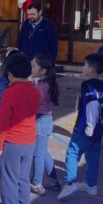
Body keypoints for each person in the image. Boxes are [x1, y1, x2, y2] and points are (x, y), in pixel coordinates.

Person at [0, 53, 41, 204]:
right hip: (29, 141)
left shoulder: (9, 94)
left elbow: (2, 123)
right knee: (23, 179)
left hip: (12, 142)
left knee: (9, 180)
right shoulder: (35, 91)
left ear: (9, 74)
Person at [57, 54, 103, 201]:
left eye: (84, 65)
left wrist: (89, 128)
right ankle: (91, 185)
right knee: (93, 157)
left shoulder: (87, 85)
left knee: (73, 153)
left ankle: (70, 182)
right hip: (99, 131)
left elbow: (92, 106)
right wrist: (98, 128)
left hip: (84, 129)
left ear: (91, 69)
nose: (82, 68)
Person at [30, 54, 61, 195]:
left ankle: (37, 183)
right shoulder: (45, 84)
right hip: (45, 121)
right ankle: (53, 179)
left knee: (38, 155)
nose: (31, 68)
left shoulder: (41, 87)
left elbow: (32, 104)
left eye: (33, 66)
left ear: (42, 71)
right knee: (43, 152)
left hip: (40, 121)